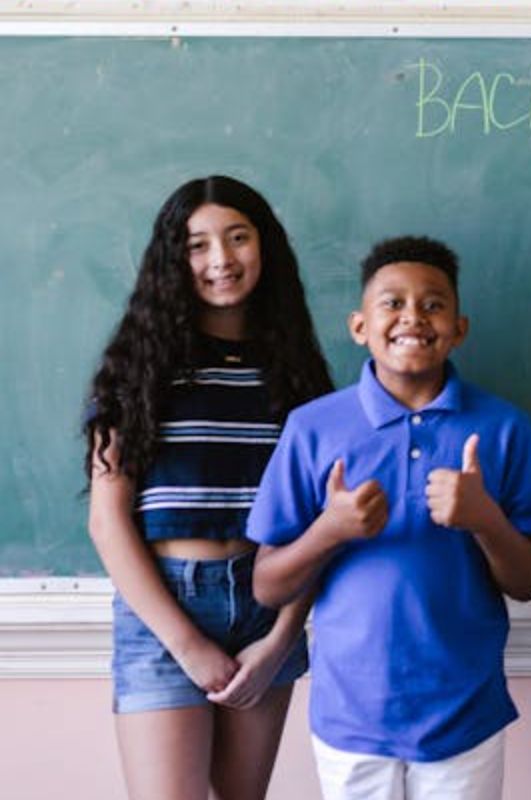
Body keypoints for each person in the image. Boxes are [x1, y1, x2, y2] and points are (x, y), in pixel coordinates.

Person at [247, 235, 531, 800]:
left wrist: (484, 518)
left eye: (433, 303)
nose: (413, 316)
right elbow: (268, 585)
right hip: (352, 716)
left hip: (464, 714)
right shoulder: (314, 428)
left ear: (459, 328)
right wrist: (329, 530)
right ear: (359, 326)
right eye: (392, 302)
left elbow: (528, 581)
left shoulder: (502, 427)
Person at [83, 175, 331, 800]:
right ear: (173, 259)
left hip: (265, 605)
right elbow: (108, 523)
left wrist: (281, 640)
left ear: (264, 247)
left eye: (238, 238)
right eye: (197, 245)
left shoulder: (297, 375)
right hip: (164, 609)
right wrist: (186, 643)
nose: (221, 260)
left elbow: (319, 527)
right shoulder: (136, 371)